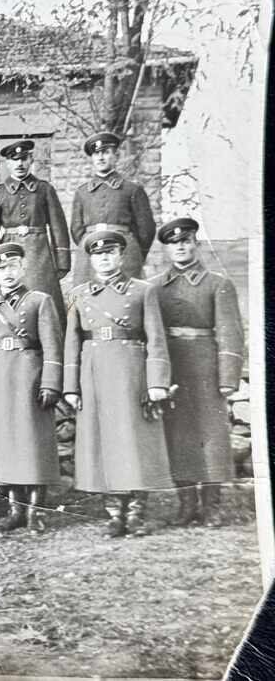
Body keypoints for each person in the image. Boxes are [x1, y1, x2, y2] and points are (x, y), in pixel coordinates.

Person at [63, 230, 172, 538]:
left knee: (134, 441)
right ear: (91, 259)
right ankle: (113, 512)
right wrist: (70, 386)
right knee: (103, 441)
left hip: (131, 372)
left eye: (110, 253)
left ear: (121, 257)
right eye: (98, 254)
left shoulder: (142, 291)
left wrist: (157, 382)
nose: (104, 259)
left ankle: (136, 512)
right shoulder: (79, 294)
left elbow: (156, 339)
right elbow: (71, 342)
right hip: (94, 372)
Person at [149, 218, 243, 527]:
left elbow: (230, 333)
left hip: (205, 367)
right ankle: (186, 505)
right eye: (173, 244)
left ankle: (212, 505)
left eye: (185, 242)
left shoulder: (217, 283)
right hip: (172, 366)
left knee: (211, 436)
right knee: (178, 436)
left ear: (196, 244)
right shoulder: (155, 287)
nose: (180, 248)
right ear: (166, 250)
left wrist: (228, 378)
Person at [0, 243, 63, 534]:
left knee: (33, 442)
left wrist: (51, 382)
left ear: (23, 268)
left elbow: (52, 345)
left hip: (30, 376)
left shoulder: (39, 300)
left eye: (12, 266)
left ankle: (35, 511)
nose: (7, 273)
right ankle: (15, 510)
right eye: (1, 269)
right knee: (6, 443)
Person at [0, 141, 71, 317]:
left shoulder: (44, 189)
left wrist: (62, 261)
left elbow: (58, 226)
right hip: (9, 253)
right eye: (14, 159)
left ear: (31, 160)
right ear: (7, 163)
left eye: (24, 159)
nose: (19, 164)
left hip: (40, 255)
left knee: (44, 300)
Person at [69, 132, 157, 285]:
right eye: (96, 153)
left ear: (116, 156)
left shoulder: (132, 189)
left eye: (106, 152)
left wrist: (134, 251)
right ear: (92, 158)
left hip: (124, 251)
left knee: (128, 293)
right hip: (90, 252)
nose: (101, 157)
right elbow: (76, 230)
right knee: (85, 293)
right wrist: (88, 244)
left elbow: (146, 229)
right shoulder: (82, 192)